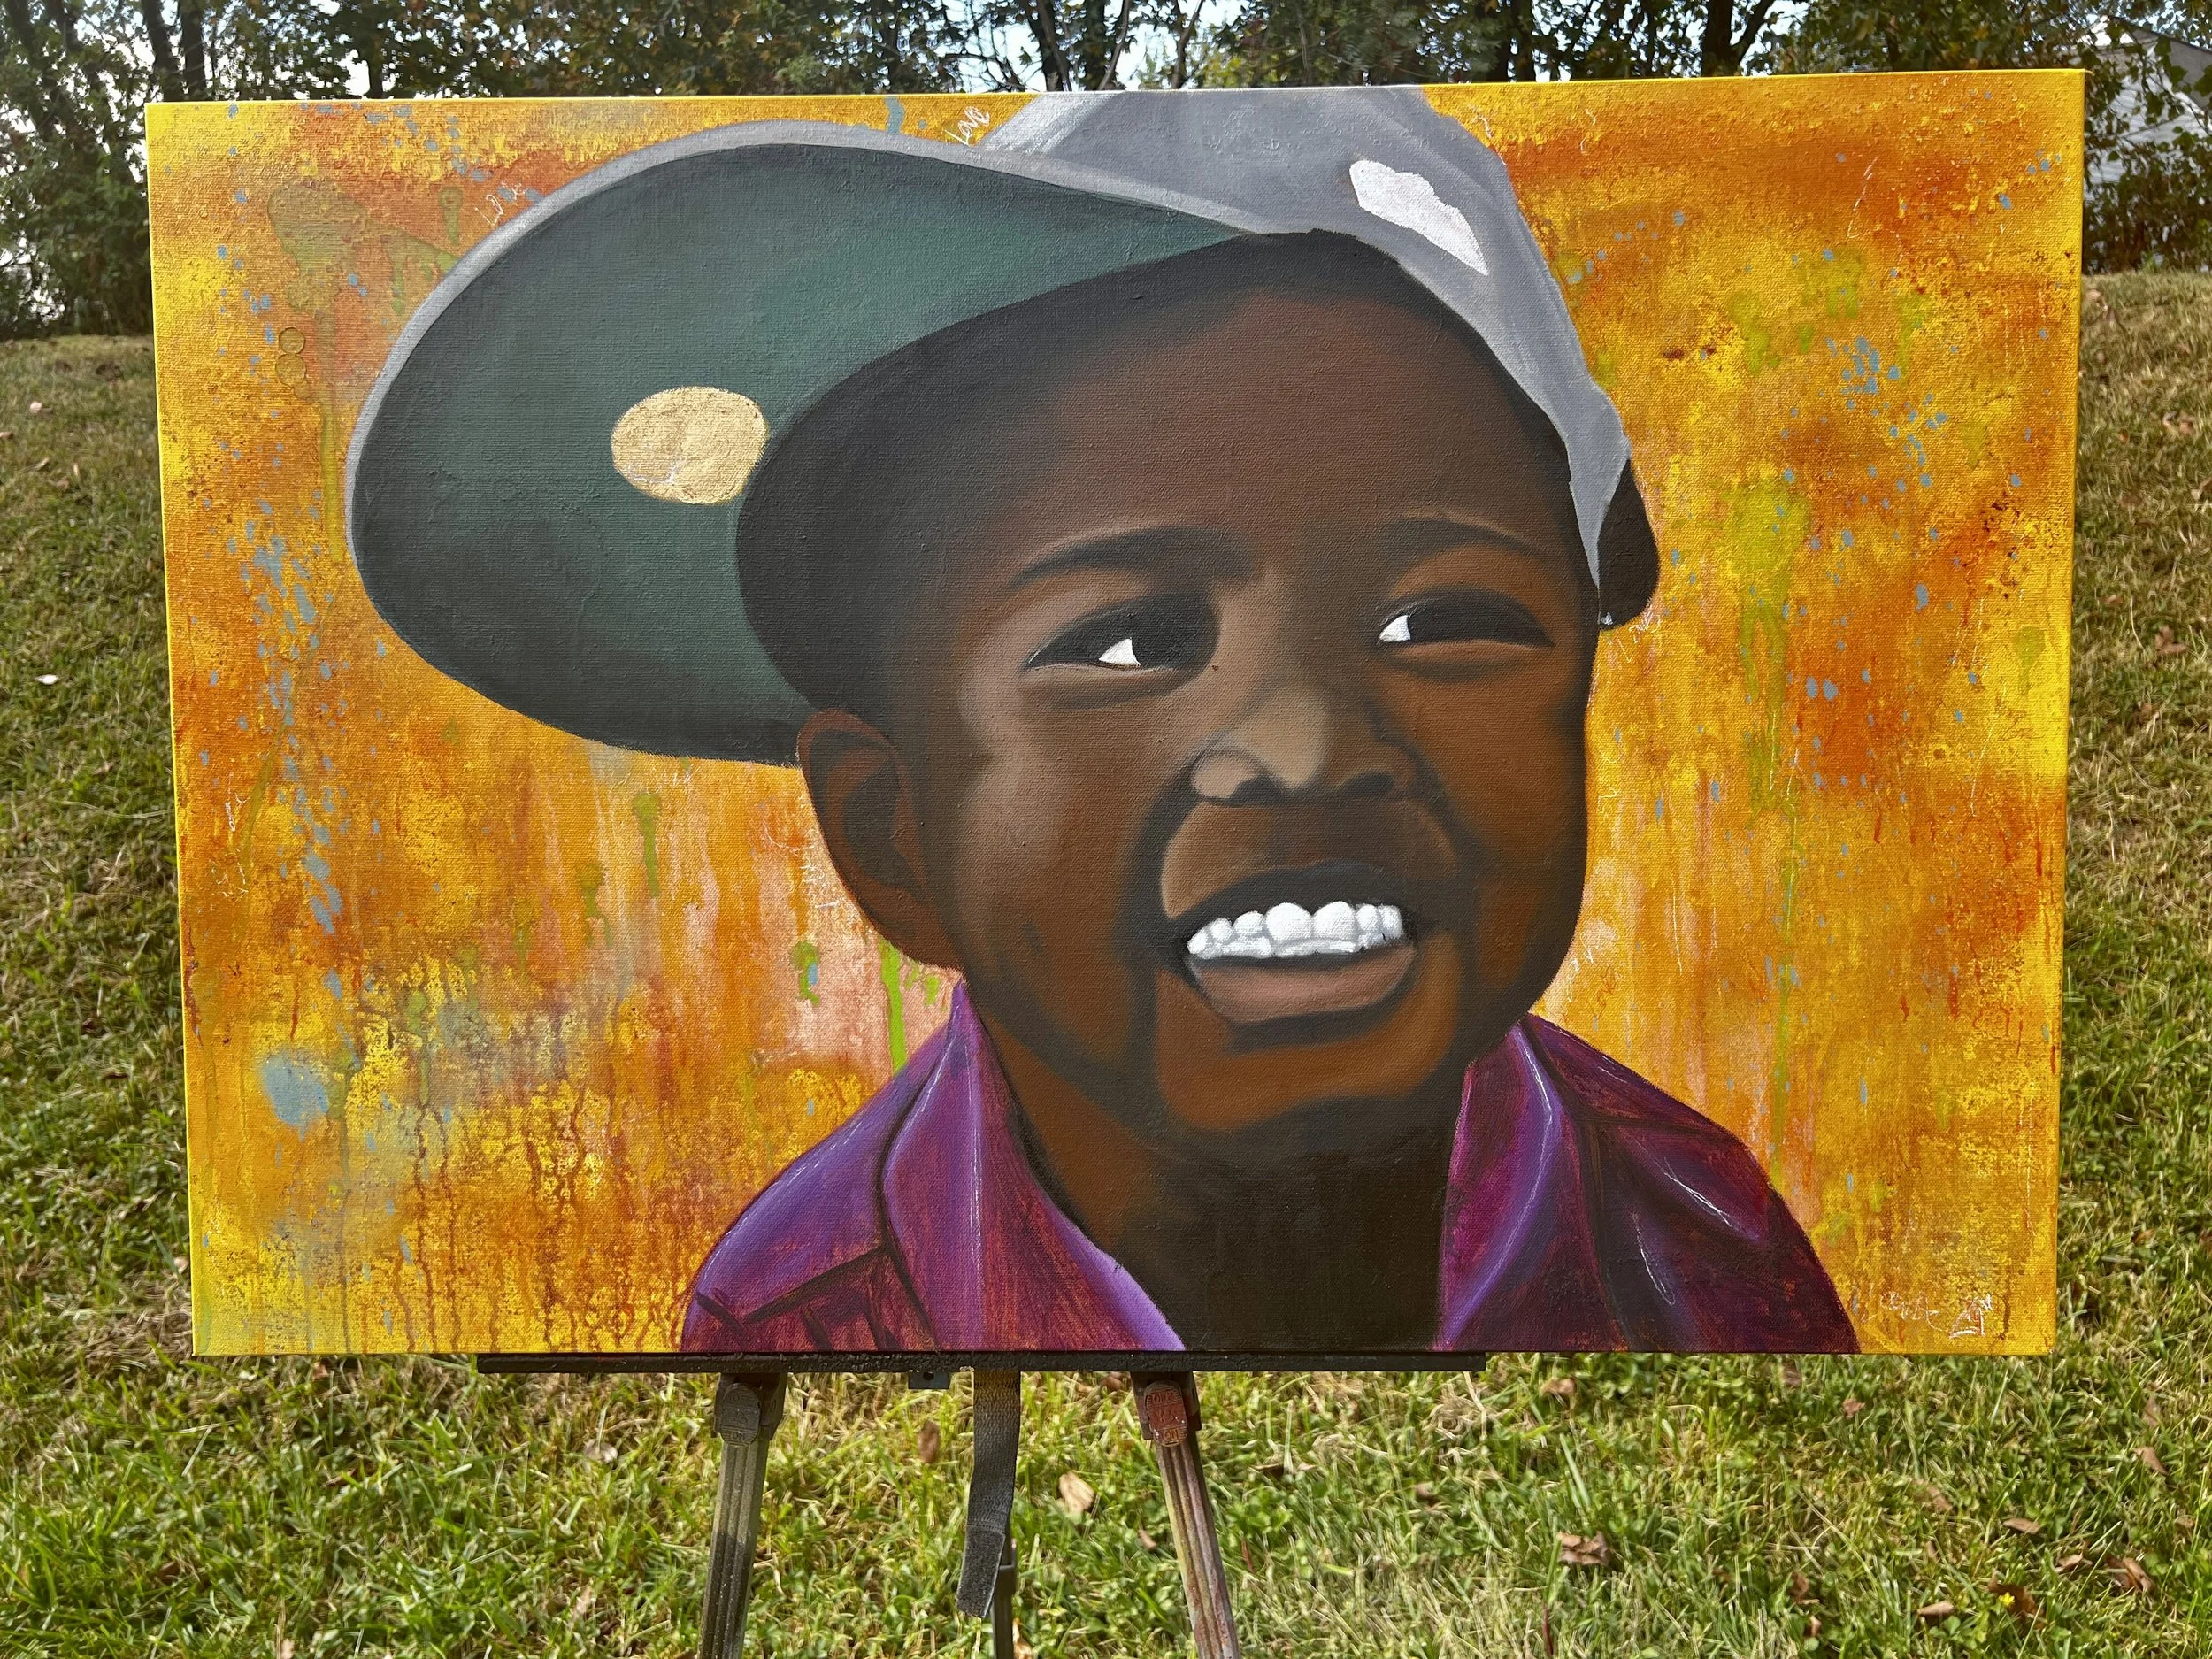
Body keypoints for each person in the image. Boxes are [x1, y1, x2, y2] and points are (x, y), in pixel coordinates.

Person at [348, 88, 1855, 1356]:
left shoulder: (1705, 1246)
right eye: (1130, 641)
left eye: (1444, 622)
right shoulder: (803, 1311)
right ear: (891, 837)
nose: (1310, 745)